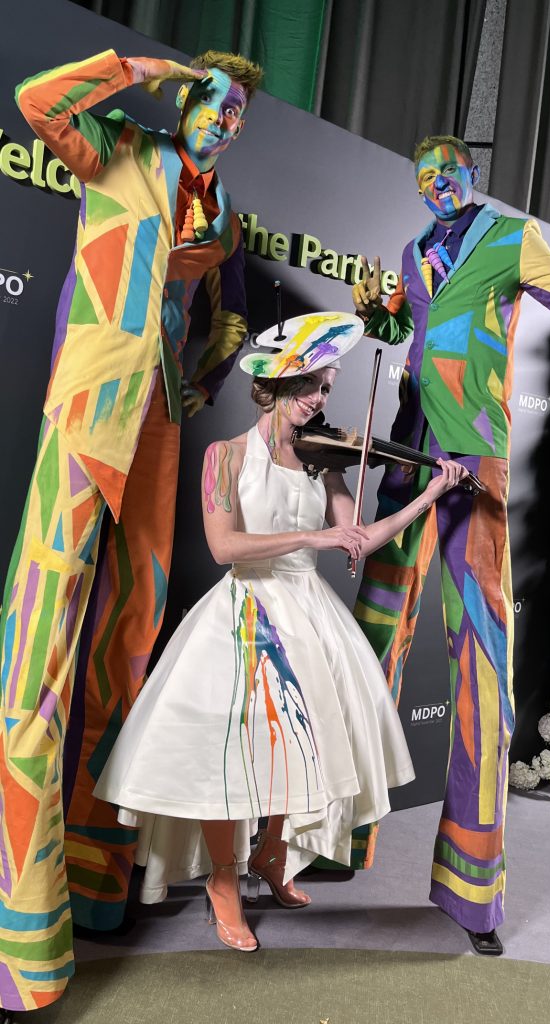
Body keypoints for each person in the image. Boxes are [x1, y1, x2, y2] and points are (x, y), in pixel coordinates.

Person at [0, 48, 261, 1013]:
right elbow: (37, 100)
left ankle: (100, 882)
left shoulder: (222, 212)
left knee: (129, 638)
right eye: (215, 105)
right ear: (183, 101)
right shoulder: (118, 144)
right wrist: (137, 65)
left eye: (238, 115)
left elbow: (224, 311)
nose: (226, 122)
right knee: (39, 639)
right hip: (87, 401)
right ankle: (20, 929)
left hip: (156, 418)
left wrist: (203, 372)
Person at [94, 314, 467, 952]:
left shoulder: (326, 461)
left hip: (311, 615)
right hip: (244, 613)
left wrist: (428, 494)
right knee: (226, 760)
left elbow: (360, 538)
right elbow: (223, 546)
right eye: (311, 386)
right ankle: (222, 882)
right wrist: (313, 535)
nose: (321, 400)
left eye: (325, 387)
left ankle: (271, 855)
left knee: (310, 750)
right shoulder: (224, 456)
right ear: (276, 384)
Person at [352, 134, 550, 955]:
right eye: (424, 175)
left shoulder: (510, 238)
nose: (436, 183)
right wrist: (374, 305)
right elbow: (399, 323)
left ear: (474, 174)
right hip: (406, 453)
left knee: (478, 667)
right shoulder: (411, 250)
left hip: (472, 462)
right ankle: (328, 839)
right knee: (365, 641)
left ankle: (474, 893)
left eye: (449, 171)